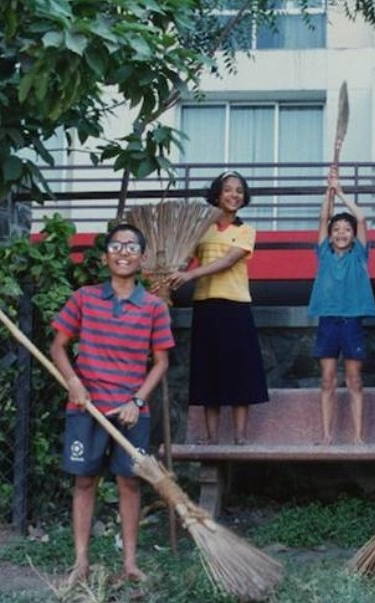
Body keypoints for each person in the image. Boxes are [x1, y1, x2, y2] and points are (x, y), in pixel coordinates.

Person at [49, 223, 173, 585]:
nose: (123, 252)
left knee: (129, 484)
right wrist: (73, 381)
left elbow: (161, 362)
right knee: (85, 482)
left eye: (131, 247)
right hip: (86, 408)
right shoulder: (84, 298)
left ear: (142, 258)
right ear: (105, 256)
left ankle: (131, 564)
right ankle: (81, 562)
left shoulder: (153, 307)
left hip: (132, 413)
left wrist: (137, 399)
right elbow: (58, 345)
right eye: (116, 246)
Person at [166, 171, 269, 445]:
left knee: (240, 369)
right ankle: (211, 438)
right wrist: (169, 275)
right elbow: (185, 258)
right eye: (228, 190)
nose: (234, 195)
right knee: (207, 369)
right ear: (217, 194)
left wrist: (189, 276)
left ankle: (240, 437)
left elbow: (228, 261)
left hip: (235, 306)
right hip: (205, 305)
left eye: (239, 190)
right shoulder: (200, 229)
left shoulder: (246, 231)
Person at [307, 172, 375, 445]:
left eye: (346, 230)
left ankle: (358, 437)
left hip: (352, 323)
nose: (341, 233)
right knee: (327, 380)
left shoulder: (360, 254)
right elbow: (323, 219)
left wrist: (342, 191)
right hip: (328, 321)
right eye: (337, 230)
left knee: (354, 380)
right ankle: (326, 436)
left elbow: (360, 217)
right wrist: (329, 191)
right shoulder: (323, 252)